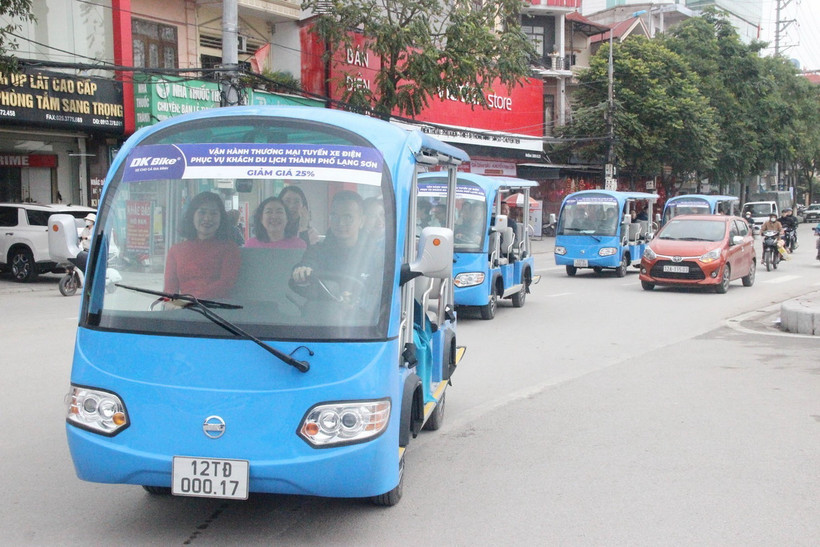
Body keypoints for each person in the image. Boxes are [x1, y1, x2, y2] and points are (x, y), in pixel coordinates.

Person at [291, 190, 383, 312]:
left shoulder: (378, 256)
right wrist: (302, 272)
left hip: (365, 324)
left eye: (348, 217)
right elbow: (308, 264)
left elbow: (381, 297)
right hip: (322, 320)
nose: (340, 223)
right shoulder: (317, 251)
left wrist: (358, 302)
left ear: (362, 221)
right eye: (334, 216)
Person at [164, 191, 240, 299]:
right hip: (182, 311)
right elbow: (169, 289)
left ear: (221, 218)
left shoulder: (230, 249)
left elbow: (226, 283)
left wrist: (191, 301)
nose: (207, 218)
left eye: (213, 213)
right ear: (192, 215)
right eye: (202, 212)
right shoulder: (176, 251)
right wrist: (171, 303)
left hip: (215, 311)